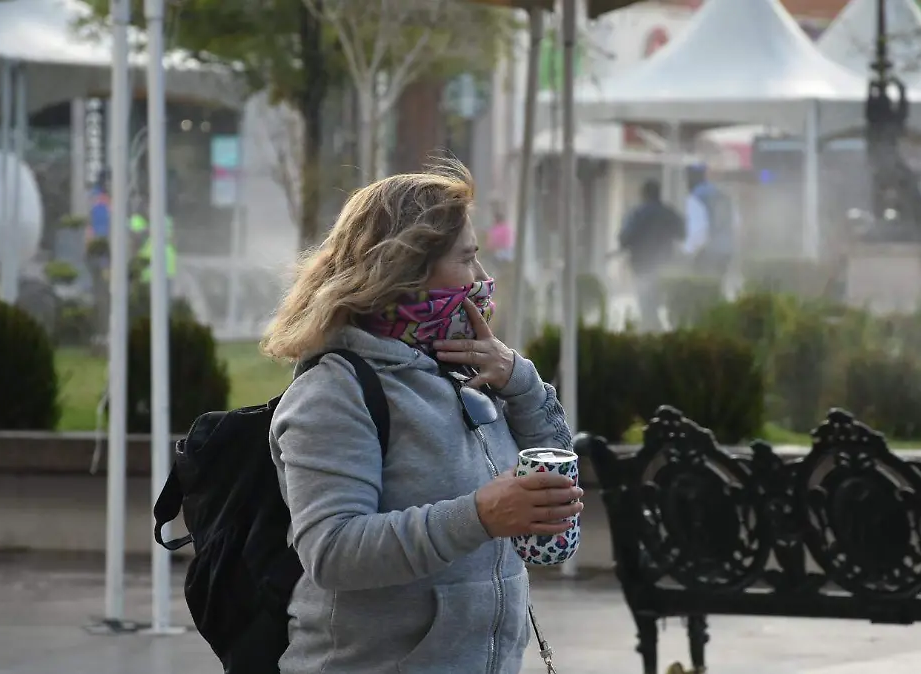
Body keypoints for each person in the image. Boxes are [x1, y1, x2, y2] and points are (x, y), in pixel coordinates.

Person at [261, 161, 581, 673]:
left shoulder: (462, 369)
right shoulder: (334, 392)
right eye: (467, 259)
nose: (483, 279)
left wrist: (518, 380)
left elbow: (557, 466)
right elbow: (333, 552)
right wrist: (479, 516)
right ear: (406, 270)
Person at [617, 179, 685, 330]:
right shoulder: (669, 213)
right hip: (665, 263)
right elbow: (682, 234)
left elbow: (625, 238)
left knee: (645, 299)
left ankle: (650, 326)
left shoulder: (637, 214)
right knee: (658, 296)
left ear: (644, 195)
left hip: (641, 264)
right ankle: (656, 325)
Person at [680, 164, 736, 282]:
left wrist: (687, 251)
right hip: (726, 251)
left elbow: (699, 230)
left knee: (702, 285)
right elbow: (736, 223)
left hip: (706, 252)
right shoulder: (722, 195)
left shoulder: (696, 197)